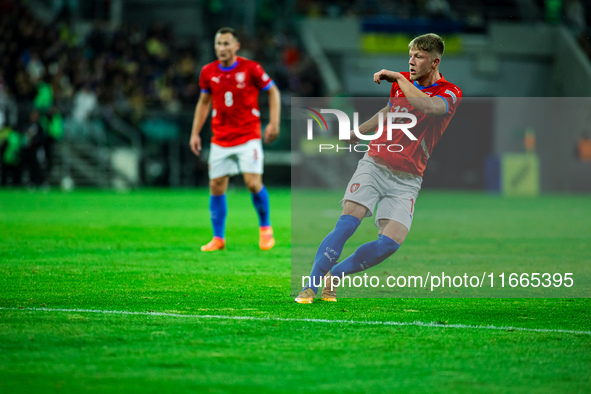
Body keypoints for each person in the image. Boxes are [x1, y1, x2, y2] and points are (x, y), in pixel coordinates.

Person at [296, 33, 462, 303]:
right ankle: (310, 286)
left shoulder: (450, 92)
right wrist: (357, 133)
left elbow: (430, 107)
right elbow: (389, 111)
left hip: (408, 178)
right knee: (348, 222)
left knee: (389, 244)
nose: (411, 61)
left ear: (434, 62)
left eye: (418, 57)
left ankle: (334, 276)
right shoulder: (402, 84)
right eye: (410, 56)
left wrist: (399, 79)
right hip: (375, 165)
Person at [190, 27, 281, 251]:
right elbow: (203, 103)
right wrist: (195, 132)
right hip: (220, 137)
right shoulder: (208, 72)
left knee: (252, 183)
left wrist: (274, 122)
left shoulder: (251, 68)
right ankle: (218, 238)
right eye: (218, 44)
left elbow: (273, 91)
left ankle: (265, 229)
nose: (222, 48)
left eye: (226, 43)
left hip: (248, 135)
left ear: (236, 46)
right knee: (216, 185)